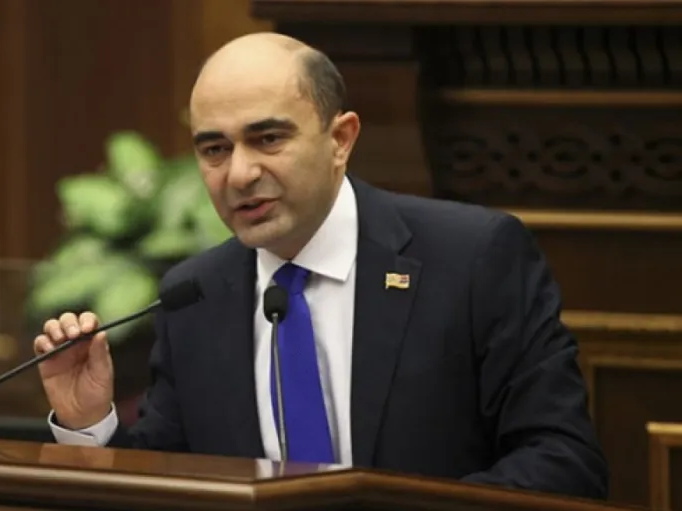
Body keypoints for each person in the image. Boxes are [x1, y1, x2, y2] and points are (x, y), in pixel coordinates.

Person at [33, 32, 608, 498]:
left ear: (341, 139)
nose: (239, 174)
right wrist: (89, 424)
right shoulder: (196, 294)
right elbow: (167, 479)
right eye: (215, 149)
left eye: (268, 138)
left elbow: (562, 460)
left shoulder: (472, 258)